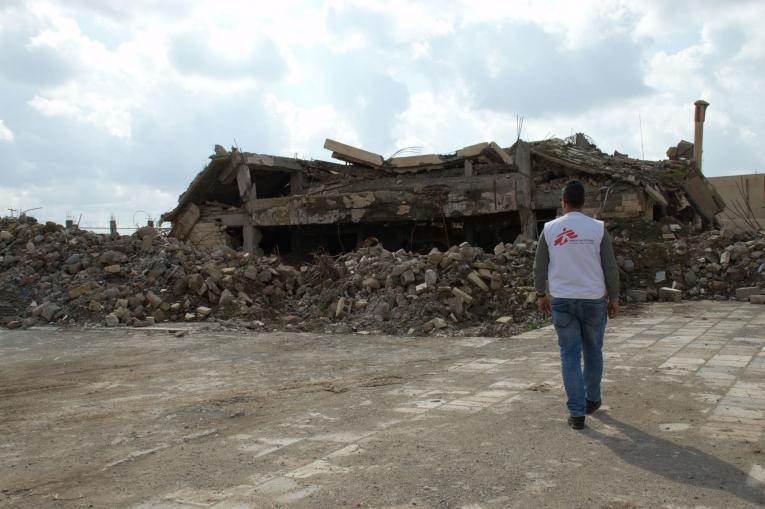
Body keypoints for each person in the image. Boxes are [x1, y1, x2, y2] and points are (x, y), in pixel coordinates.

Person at [533, 180, 619, 430]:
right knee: (593, 351)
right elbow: (610, 266)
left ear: (563, 202)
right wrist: (614, 297)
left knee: (569, 355)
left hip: (562, 301)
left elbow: (539, 265)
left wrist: (541, 294)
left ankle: (577, 413)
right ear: (583, 203)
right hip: (593, 300)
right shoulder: (597, 229)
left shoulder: (549, 229)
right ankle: (592, 400)